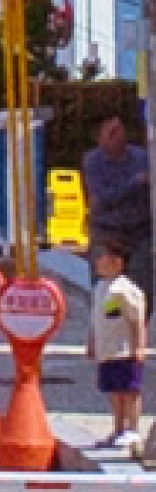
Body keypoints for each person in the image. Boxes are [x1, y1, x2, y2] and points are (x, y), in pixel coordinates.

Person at [79, 113, 152, 297]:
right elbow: (102, 198)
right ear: (100, 138)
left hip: (140, 232)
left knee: (141, 290)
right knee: (105, 291)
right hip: (107, 232)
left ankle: (136, 323)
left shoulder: (141, 157)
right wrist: (135, 182)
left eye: (120, 130)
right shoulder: (93, 162)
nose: (118, 137)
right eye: (112, 132)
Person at [86, 237, 147, 454]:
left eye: (102, 257)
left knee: (129, 391)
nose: (97, 262)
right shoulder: (101, 287)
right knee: (114, 392)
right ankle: (117, 429)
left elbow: (136, 320)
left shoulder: (125, 289)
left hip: (124, 349)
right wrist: (92, 341)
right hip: (107, 350)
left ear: (116, 262)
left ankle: (133, 428)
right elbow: (97, 318)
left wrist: (139, 347)